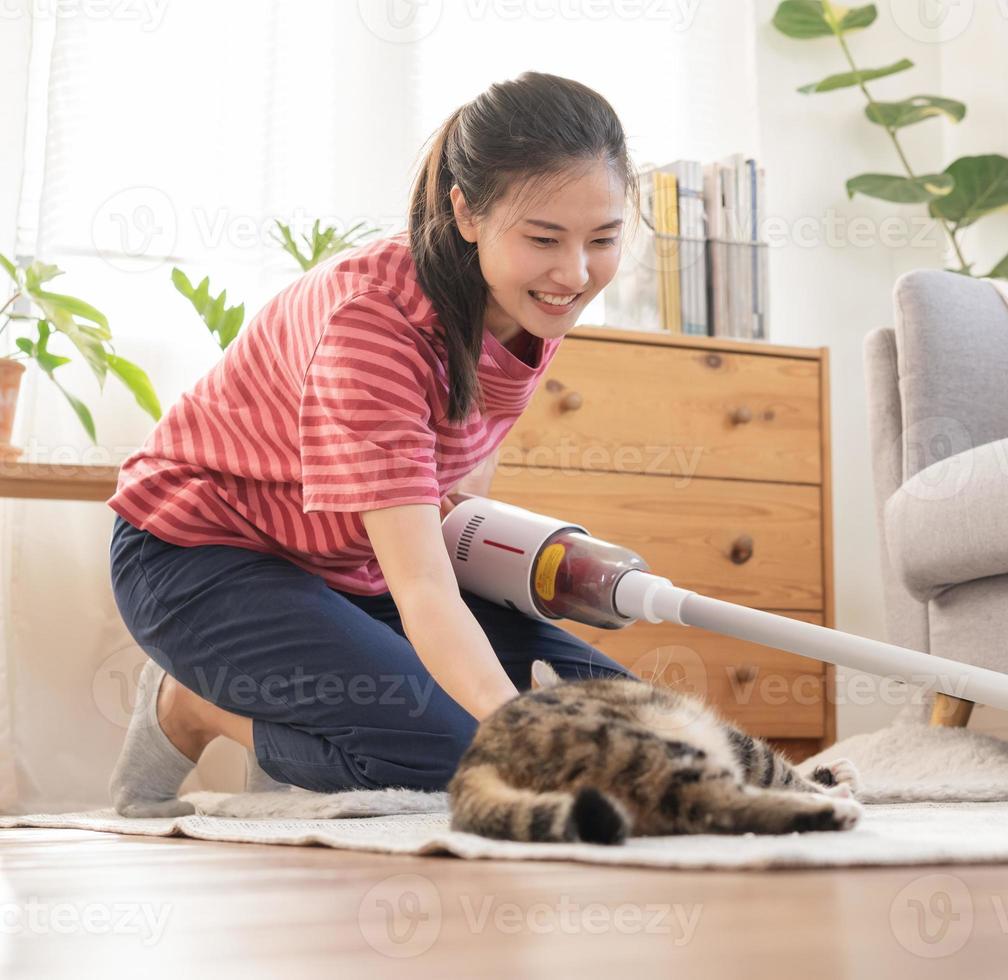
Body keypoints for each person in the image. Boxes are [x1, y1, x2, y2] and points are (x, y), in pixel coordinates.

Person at [106, 72, 640, 816]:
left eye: (604, 239)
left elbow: (457, 477)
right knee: (463, 754)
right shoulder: (374, 324)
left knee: (631, 719)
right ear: (467, 212)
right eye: (545, 239)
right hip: (200, 555)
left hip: (346, 563)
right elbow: (421, 587)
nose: (576, 273)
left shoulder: (527, 298)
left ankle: (316, 687)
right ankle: (196, 707)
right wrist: (514, 730)